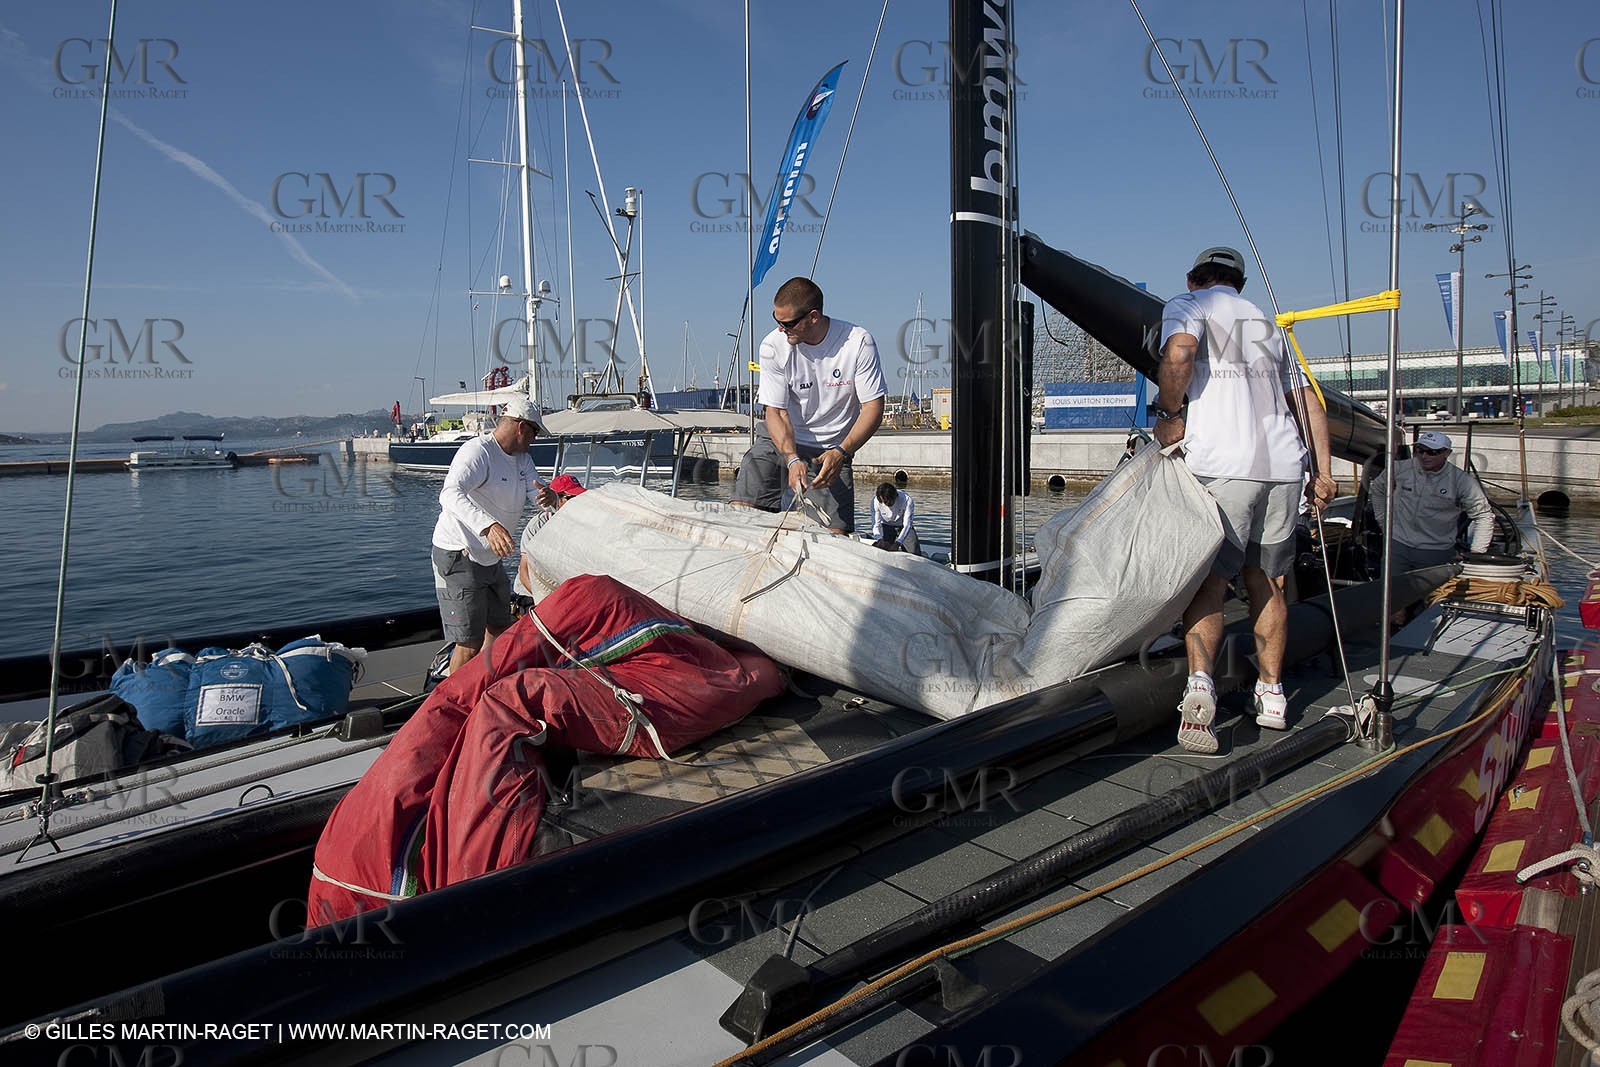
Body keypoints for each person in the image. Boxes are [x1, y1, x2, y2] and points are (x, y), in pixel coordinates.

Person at [1155, 246, 1336, 753]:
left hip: (1223, 466)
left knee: (1209, 583)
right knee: (1270, 581)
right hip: (1283, 467)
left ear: (1194, 278)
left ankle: (1200, 687)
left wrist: (1169, 412)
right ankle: (1273, 694)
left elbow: (1179, 355)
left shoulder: (1190, 304)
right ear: (1240, 282)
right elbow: (1307, 401)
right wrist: (1323, 471)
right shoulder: (1270, 325)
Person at [430, 394, 552, 676]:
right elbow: (450, 493)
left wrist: (548, 496)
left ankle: (482, 683)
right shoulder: (479, 452)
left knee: (500, 628)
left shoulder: (522, 458)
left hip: (489, 558)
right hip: (460, 553)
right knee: (469, 642)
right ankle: (453, 702)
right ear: (521, 427)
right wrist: (488, 526)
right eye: (534, 432)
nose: (535, 439)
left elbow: (536, 491)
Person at [754, 276, 887, 533]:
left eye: (788, 323)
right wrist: (792, 459)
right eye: (776, 320)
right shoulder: (773, 345)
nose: (781, 328)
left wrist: (841, 453)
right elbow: (776, 412)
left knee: (836, 535)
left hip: (833, 449)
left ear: (813, 317)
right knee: (742, 509)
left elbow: (873, 407)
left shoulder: (859, 342)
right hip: (780, 438)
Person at [1370, 429, 1494, 575]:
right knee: (1392, 594)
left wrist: (1476, 553)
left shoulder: (1461, 481)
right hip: (1396, 547)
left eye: (1432, 452)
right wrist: (1383, 521)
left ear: (1447, 453)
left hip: (1436, 552)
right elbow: (1377, 489)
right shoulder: (1399, 469)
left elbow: (1484, 515)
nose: (1424, 456)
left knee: (1433, 596)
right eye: (1420, 450)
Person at [515, 473, 586, 603]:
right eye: (572, 498)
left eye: (580, 498)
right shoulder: (538, 525)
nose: (577, 503)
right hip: (531, 594)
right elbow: (524, 572)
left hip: (559, 595)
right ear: (557, 499)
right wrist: (548, 601)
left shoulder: (579, 525)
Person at [870, 481, 921, 555]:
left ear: (894, 496)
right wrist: (879, 539)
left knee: (913, 552)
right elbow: (876, 524)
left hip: (903, 526)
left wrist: (898, 543)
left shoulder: (907, 500)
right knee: (883, 549)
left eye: (888, 502)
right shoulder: (875, 502)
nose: (886, 505)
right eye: (883, 502)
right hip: (886, 525)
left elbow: (907, 525)